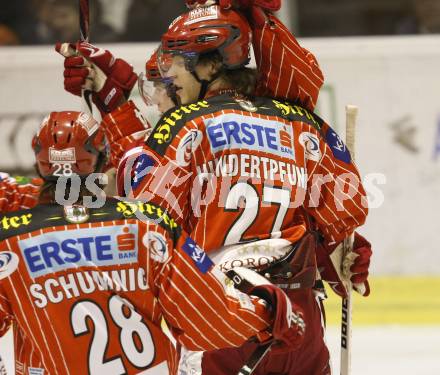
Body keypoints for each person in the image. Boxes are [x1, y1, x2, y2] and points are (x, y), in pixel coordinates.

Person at [55, 3, 372, 374]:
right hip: (300, 325)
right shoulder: (304, 126)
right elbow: (342, 216)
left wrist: (112, 106)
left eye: (177, 60)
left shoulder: (186, 126)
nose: (169, 72)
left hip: (224, 318)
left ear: (210, 65)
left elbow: (146, 213)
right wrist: (340, 255)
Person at [0, 110, 305, 374]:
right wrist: (270, 315)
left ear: (40, 166)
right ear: (103, 159)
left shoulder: (10, 241)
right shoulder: (150, 225)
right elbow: (209, 321)